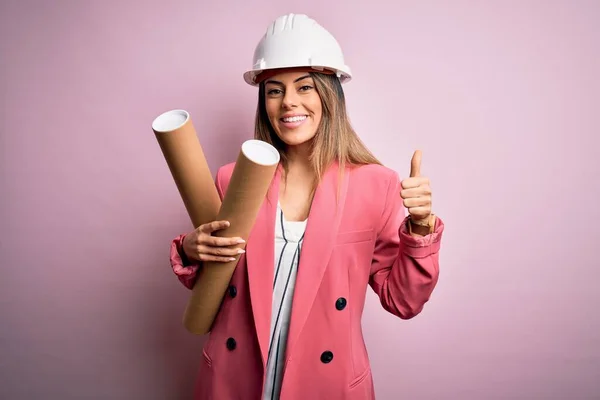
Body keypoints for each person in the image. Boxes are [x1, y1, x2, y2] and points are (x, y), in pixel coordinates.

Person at [169, 13, 444, 400]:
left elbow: (403, 300)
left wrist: (419, 227)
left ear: (330, 94)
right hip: (234, 381)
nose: (289, 103)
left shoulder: (375, 185)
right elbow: (211, 289)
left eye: (305, 87)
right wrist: (190, 250)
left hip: (327, 385)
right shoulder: (232, 180)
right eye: (274, 90)